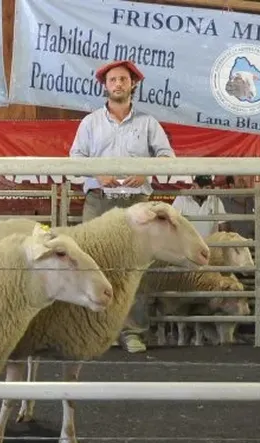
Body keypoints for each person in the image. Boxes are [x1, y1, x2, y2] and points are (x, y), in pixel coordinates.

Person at [69, 59, 174, 354]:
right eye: (113, 80)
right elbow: (75, 158)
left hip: (135, 203)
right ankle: (94, 332)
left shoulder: (148, 123)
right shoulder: (90, 123)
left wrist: (145, 171)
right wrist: (97, 173)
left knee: (135, 268)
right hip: (98, 201)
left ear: (133, 85)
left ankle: (132, 332)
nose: (118, 84)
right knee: (91, 264)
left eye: (123, 80)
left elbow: (167, 157)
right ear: (105, 86)